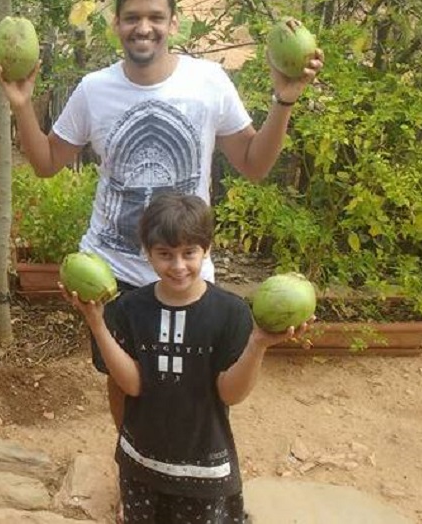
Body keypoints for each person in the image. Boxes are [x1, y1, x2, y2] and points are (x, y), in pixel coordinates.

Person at [0, 0, 323, 435]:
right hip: (112, 272)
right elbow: (48, 162)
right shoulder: (94, 90)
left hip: (185, 271)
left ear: (174, 22)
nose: (142, 27)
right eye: (131, 17)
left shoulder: (208, 82)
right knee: (121, 381)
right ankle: (132, 466)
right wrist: (22, 104)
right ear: (116, 25)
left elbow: (253, 164)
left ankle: (186, 468)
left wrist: (284, 100)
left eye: (154, 16)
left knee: (199, 383)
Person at [66, 192, 309, 523]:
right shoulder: (128, 308)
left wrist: (258, 345)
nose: (178, 266)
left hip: (205, 472)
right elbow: (134, 386)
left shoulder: (231, 313)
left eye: (189, 253)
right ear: (147, 254)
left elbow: (230, 394)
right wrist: (96, 323)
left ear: (206, 250)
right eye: (165, 254)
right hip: (141, 465)